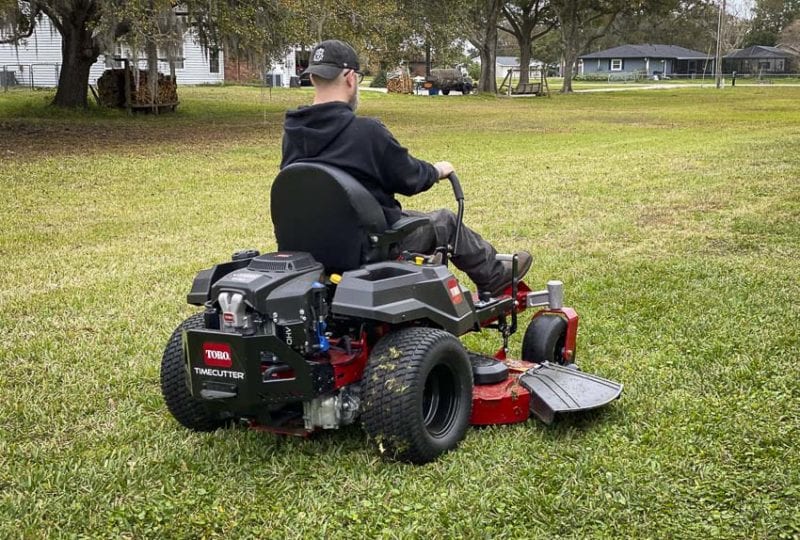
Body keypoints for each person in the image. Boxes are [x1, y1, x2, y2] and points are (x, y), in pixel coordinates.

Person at [280, 39, 531, 297]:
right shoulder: (366, 132)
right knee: (444, 222)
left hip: (313, 247)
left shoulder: (292, 133)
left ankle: (428, 266)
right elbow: (409, 178)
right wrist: (436, 171)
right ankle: (495, 277)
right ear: (350, 78)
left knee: (405, 219)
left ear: (313, 78)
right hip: (368, 247)